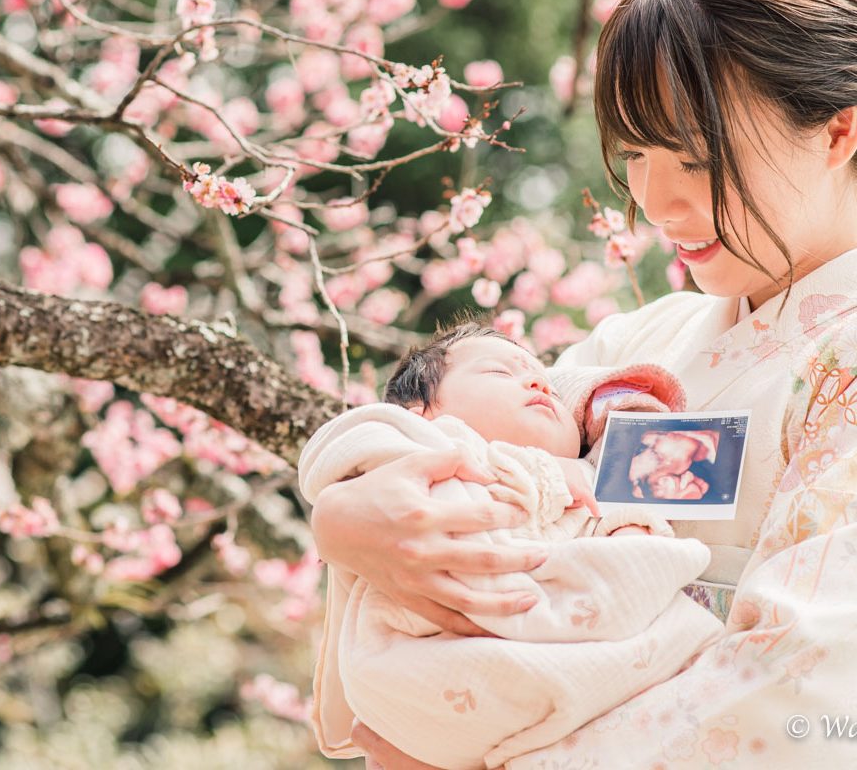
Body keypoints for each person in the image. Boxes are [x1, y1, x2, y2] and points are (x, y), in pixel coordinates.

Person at [309, 0, 857, 768]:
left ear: (839, 130)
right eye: (635, 155)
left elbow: (803, 689)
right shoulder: (644, 343)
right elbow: (469, 458)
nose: (657, 203)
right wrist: (347, 513)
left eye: (696, 157)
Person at [297, 323, 721, 769]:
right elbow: (345, 442)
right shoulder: (425, 446)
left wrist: (631, 531)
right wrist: (333, 510)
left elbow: (631, 563)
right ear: (421, 411)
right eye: (500, 372)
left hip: (564, 679)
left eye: (550, 387)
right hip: (433, 664)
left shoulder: (591, 492)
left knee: (682, 624)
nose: (540, 384)